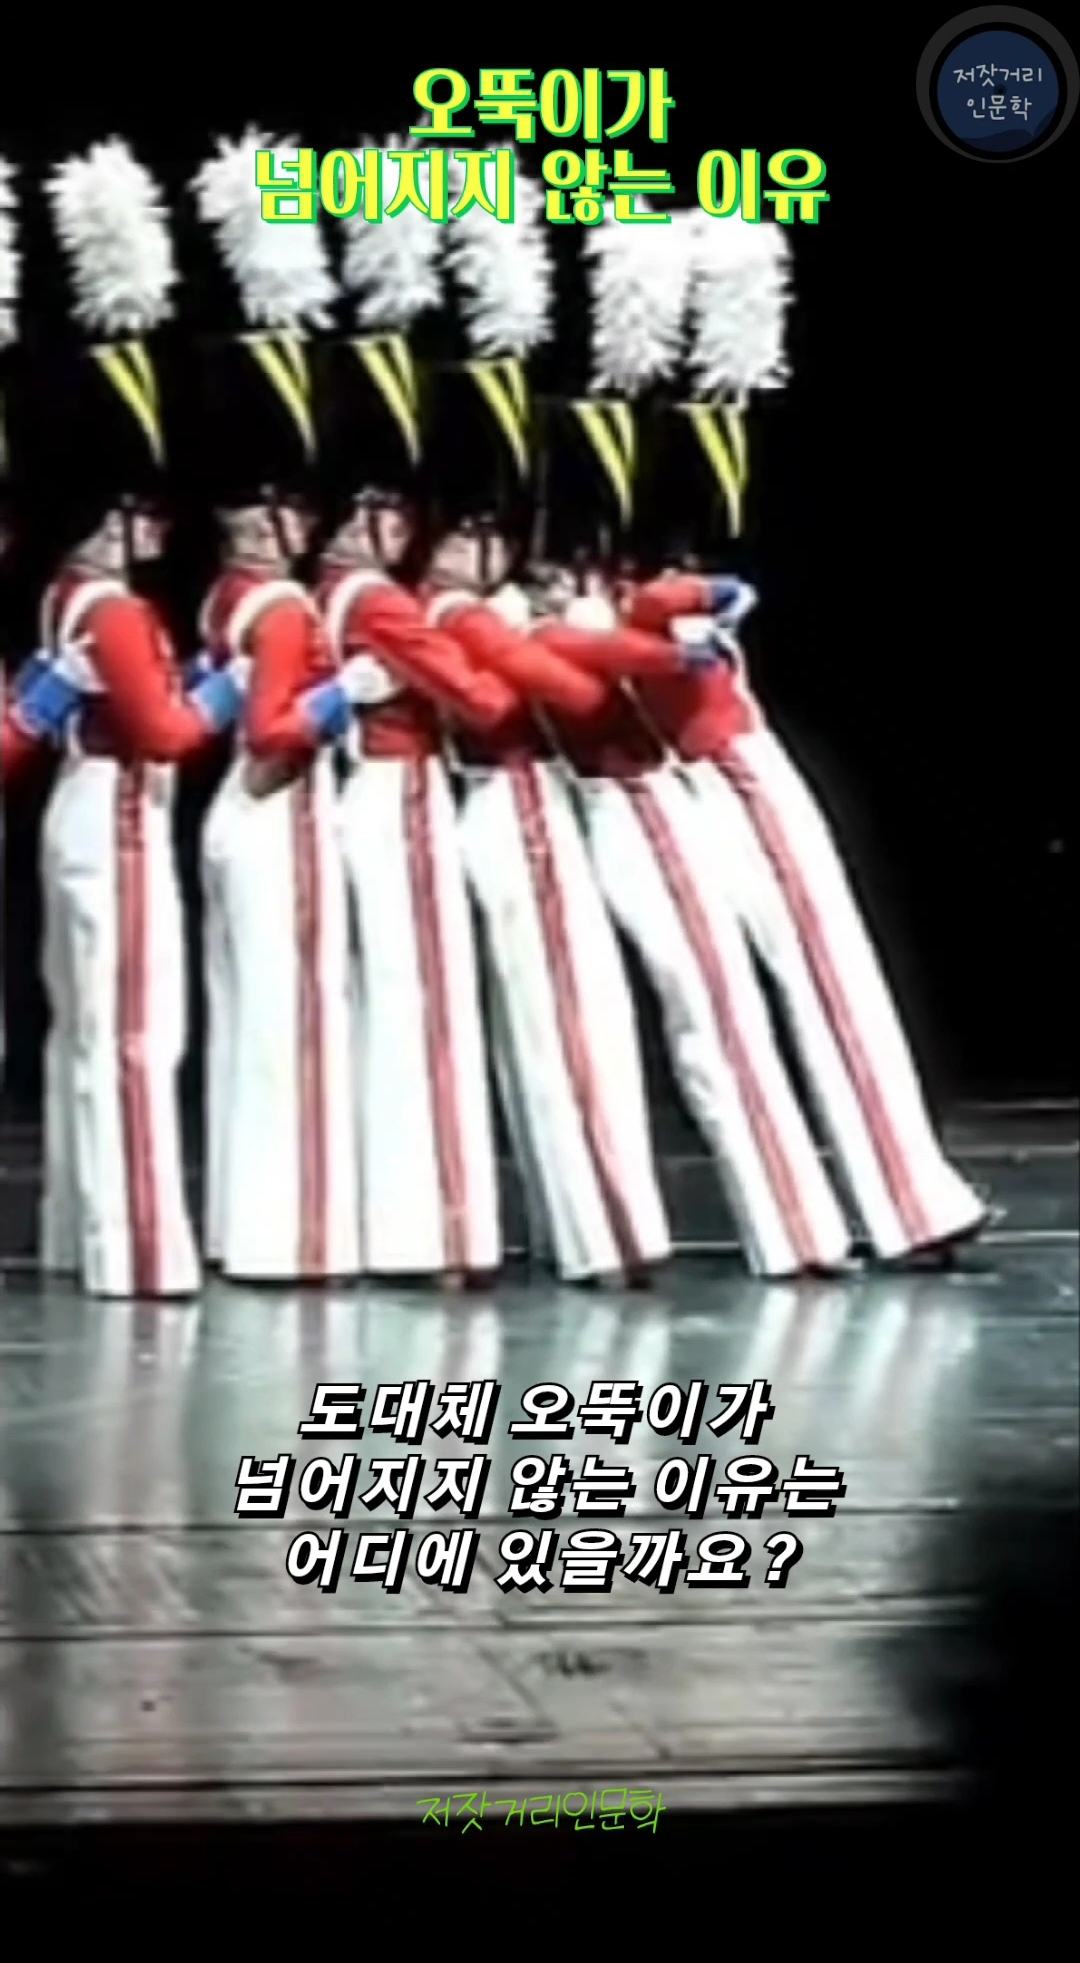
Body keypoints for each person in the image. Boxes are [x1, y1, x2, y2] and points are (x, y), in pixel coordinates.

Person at [624, 401, 992, 1268]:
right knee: (724, 1005)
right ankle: (802, 1223)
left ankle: (906, 1200)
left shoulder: (654, 587)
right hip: (666, 783)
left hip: (721, 765)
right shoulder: (621, 600)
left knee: (823, 975)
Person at [516, 400, 854, 1279]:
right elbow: (602, 666)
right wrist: (679, 638)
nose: (561, 572)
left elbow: (649, 625)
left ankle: (798, 1229)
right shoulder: (542, 625)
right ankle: (785, 1227)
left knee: (725, 1012)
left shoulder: (602, 608)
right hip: (627, 816)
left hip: (658, 807)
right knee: (710, 1016)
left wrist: (698, 607)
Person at [419, 362, 673, 1285]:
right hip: (517, 804)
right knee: (575, 1016)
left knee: (546, 1018)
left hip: (513, 807)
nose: (489, 544)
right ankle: (610, 1233)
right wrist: (642, 651)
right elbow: (565, 690)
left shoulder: (477, 606)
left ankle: (584, 1232)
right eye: (473, 529)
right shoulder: (459, 611)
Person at [311, 333, 517, 1282]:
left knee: (392, 1002)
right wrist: (511, 637)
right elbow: (485, 702)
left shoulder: (326, 588)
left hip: (364, 793)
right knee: (427, 1008)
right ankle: (442, 1233)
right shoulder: (384, 604)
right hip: (402, 798)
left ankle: (397, 1226)